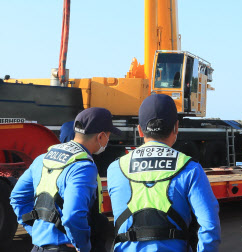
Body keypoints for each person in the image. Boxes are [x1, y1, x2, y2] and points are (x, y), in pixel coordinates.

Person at [107, 94, 221, 251]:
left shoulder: (115, 168)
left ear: (140, 130)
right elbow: (210, 226)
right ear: (176, 127)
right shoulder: (190, 168)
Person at [10, 107, 120, 252]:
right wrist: (82, 246)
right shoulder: (83, 167)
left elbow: (17, 197)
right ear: (100, 137)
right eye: (108, 135)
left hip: (38, 247)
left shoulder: (42, 159)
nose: (108, 140)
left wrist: (35, 231)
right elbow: (72, 215)